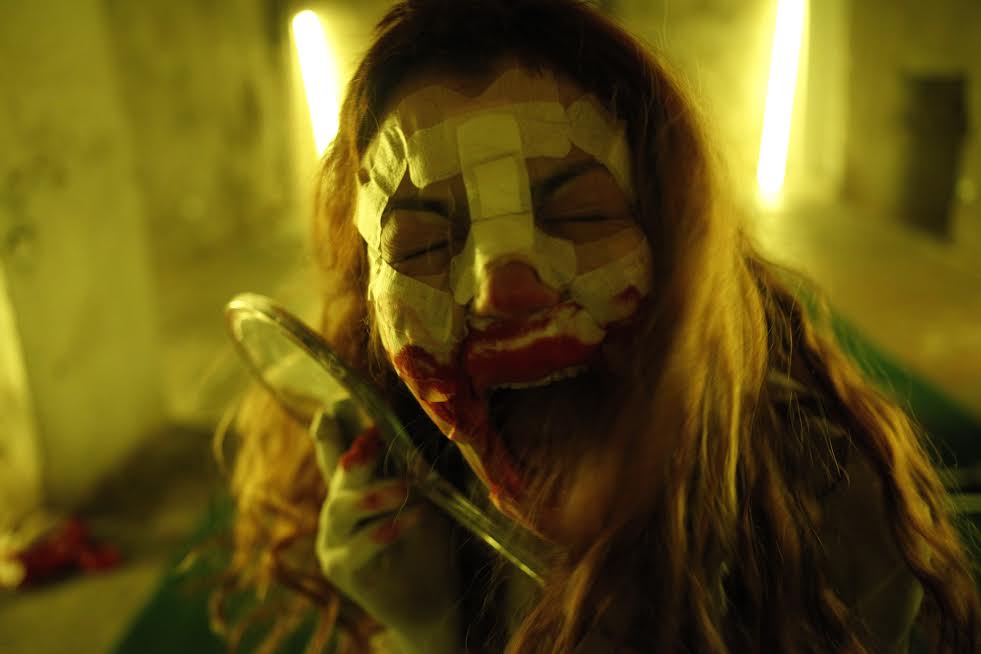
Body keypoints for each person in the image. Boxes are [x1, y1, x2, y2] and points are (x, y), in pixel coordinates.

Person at [218, 1, 981, 652]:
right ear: (369, 293)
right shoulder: (413, 492)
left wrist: (436, 638)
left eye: (580, 214)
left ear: (679, 245)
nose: (504, 292)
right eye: (419, 246)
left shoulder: (824, 513)